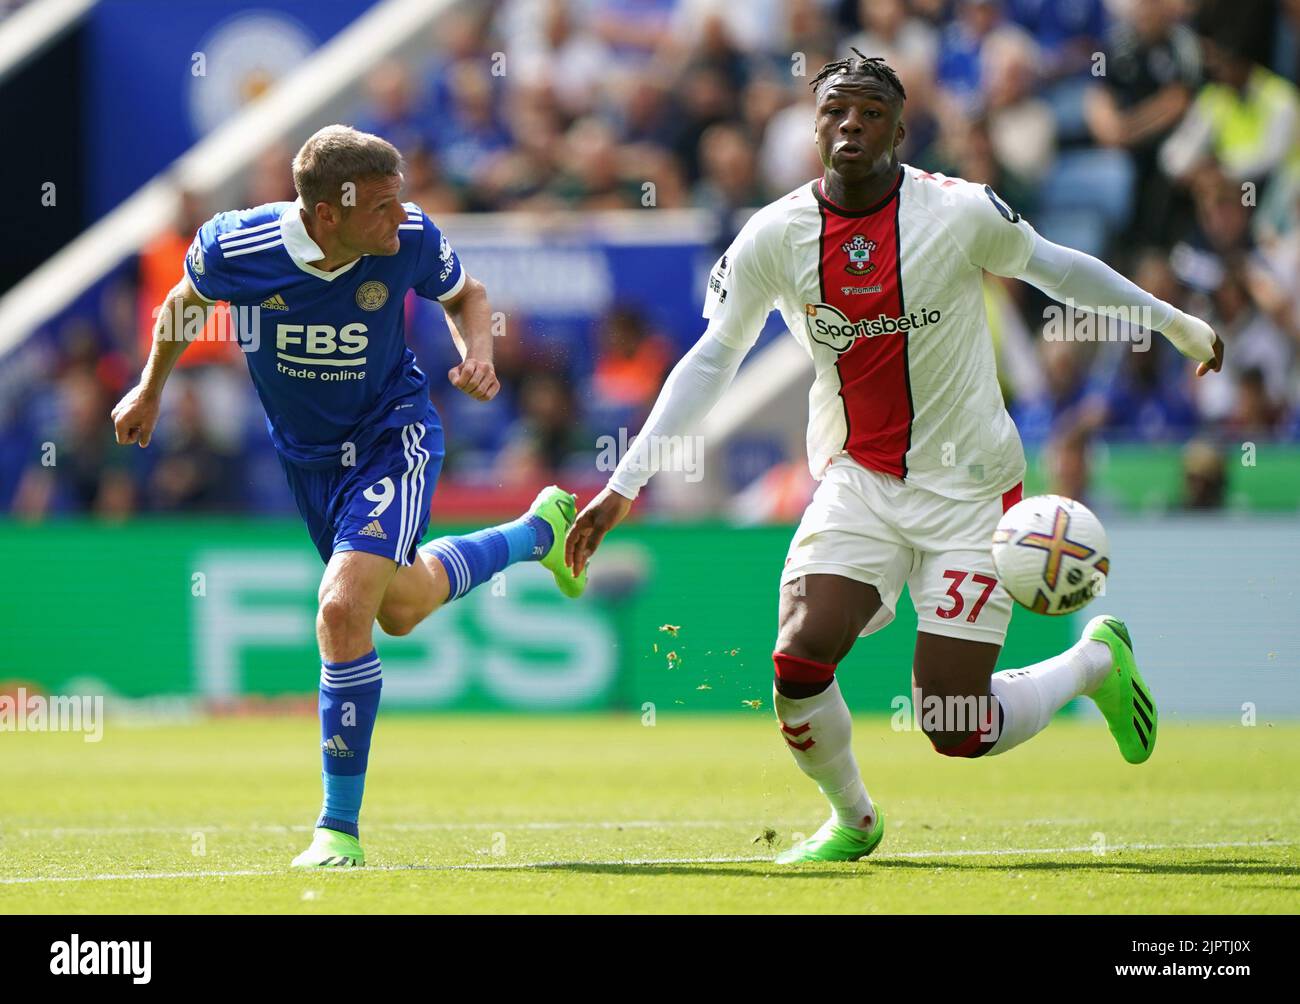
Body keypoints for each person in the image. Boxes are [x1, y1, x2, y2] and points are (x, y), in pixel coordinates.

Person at [564, 52, 1224, 864]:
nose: (850, 125)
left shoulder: (958, 211)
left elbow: (1058, 269)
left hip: (972, 492)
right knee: (798, 660)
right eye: (835, 112)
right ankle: (854, 819)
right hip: (858, 482)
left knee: (956, 726)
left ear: (900, 129)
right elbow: (711, 359)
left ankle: (1094, 662)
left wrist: (1174, 322)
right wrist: (624, 484)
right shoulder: (775, 235)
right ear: (814, 128)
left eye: (870, 112)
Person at [111, 125, 588, 869]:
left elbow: (468, 295)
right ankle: (537, 533)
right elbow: (183, 301)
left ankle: (338, 830)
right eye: (382, 207)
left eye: (401, 202)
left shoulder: (411, 240)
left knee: (340, 611)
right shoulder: (236, 248)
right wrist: (149, 388)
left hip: (390, 436)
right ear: (327, 213)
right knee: (396, 607)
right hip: (307, 461)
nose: (401, 219)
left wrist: (479, 354)